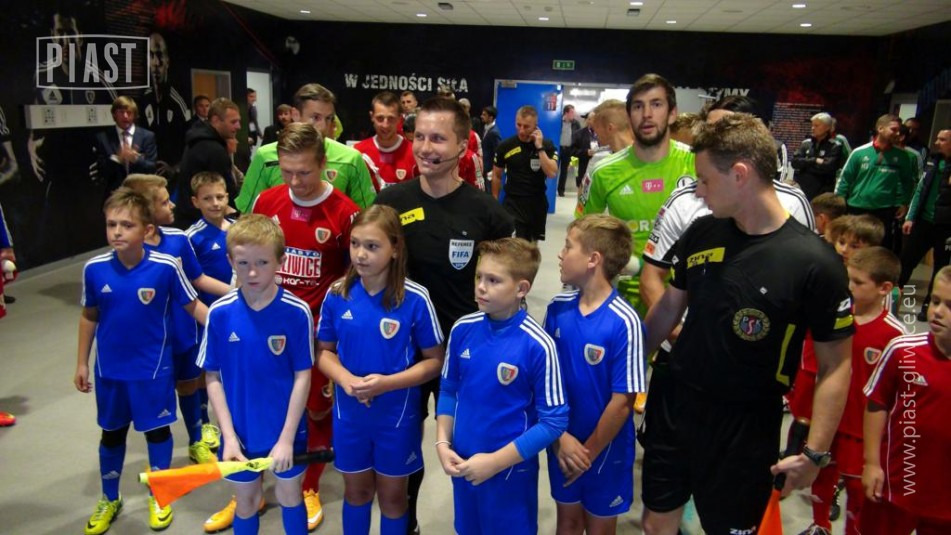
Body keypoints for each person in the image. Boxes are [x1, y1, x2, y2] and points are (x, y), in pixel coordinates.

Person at [640, 114, 853, 535]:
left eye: (705, 180)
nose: (698, 191)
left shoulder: (814, 262)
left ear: (740, 174)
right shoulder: (702, 232)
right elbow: (667, 310)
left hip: (745, 426)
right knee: (655, 524)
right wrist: (622, 373)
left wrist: (815, 452)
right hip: (676, 403)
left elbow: (836, 365)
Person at [203, 122, 361, 533]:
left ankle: (307, 486)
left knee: (314, 409)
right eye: (286, 171)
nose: (294, 181)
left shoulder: (344, 212)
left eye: (303, 172)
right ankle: (247, 491)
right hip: (255, 321)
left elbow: (352, 280)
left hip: (313, 333)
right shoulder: (266, 200)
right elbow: (245, 248)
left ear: (323, 165)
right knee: (248, 401)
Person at [375, 96, 514, 534]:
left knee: (471, 449)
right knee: (403, 450)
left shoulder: (488, 214)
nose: (425, 148)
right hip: (403, 353)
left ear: (462, 146)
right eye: (419, 137)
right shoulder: (391, 203)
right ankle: (406, 525)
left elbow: (509, 289)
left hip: (466, 355)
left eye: (438, 138)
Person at [75, 188, 207, 535]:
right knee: (111, 434)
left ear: (147, 229)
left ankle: (160, 495)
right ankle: (109, 498)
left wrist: (227, 329)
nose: (117, 232)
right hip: (110, 373)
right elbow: (89, 316)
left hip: (153, 371)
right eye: (111, 225)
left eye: (126, 225)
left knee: (157, 431)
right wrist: (82, 363)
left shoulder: (166, 267)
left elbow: (193, 306)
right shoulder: (94, 269)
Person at [316, 205, 444, 535]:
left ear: (395, 248)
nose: (361, 254)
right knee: (356, 493)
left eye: (372, 246)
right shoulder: (337, 294)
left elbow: (435, 361)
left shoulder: (416, 298)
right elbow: (324, 352)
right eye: (355, 243)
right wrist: (346, 380)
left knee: (393, 498)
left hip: (396, 416)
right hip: (349, 414)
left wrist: (386, 384)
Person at [436, 238, 568, 535]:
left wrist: (495, 462)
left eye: (493, 280)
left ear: (521, 288)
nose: (481, 287)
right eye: (478, 277)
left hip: (510, 473)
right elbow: (448, 390)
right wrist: (442, 443)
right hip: (464, 465)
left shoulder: (538, 345)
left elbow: (554, 421)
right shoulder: (462, 329)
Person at [198, 214, 313, 535]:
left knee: (290, 496)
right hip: (240, 434)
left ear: (280, 261)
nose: (251, 272)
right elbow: (212, 377)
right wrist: (228, 436)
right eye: (243, 263)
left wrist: (286, 438)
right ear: (229, 261)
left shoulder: (296, 312)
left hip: (286, 432)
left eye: (262, 262)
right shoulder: (219, 313)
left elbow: (303, 376)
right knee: (246, 503)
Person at [545, 214, 645, 534]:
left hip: (605, 450)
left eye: (568, 247)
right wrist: (560, 439)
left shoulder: (625, 321)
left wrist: (586, 454)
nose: (560, 254)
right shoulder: (557, 309)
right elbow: (544, 382)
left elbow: (623, 402)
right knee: (567, 523)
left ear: (593, 259)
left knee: (600, 529)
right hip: (562, 443)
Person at [122, 174, 231, 464]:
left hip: (184, 330)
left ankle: (196, 441)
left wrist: (238, 293)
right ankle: (159, 462)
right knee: (156, 398)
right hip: (150, 341)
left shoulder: (178, 239)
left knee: (189, 385)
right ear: (145, 210)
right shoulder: (128, 251)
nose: (172, 205)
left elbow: (198, 279)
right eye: (164, 202)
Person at [801, 247, 907, 535]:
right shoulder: (833, 318)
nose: (849, 287)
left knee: (859, 493)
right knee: (820, 478)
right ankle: (819, 526)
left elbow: (897, 394)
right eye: (848, 279)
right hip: (828, 421)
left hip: (862, 432)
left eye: (858, 282)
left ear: (884, 288)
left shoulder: (895, 336)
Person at [579, 74, 696, 317]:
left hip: (689, 296)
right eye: (638, 106)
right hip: (624, 301)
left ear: (672, 113)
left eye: (656, 104)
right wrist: (627, 264)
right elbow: (582, 233)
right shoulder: (603, 172)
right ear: (629, 116)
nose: (647, 114)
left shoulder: (697, 163)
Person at [860, 265, 951, 535]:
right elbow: (877, 403)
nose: (937, 311)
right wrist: (871, 463)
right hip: (895, 483)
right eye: (935, 301)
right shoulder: (904, 351)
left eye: (949, 305)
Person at [235, 83, 376, 212]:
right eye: (315, 117)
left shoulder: (351, 159)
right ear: (296, 115)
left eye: (329, 118)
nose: (323, 126)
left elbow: (366, 217)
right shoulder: (266, 156)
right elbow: (248, 214)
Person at [186, 172, 235, 449]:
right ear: (196, 202)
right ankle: (206, 423)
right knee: (207, 369)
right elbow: (195, 279)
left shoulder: (238, 229)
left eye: (219, 197)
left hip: (238, 311)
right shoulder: (192, 237)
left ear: (227, 197)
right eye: (207, 198)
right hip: (209, 314)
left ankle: (235, 418)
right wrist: (234, 291)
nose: (215, 203)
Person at [836, 114, 917, 252]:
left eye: (899, 130)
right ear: (880, 129)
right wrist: (839, 203)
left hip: (884, 210)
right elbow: (845, 179)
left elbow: (908, 182)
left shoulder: (902, 156)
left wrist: (904, 203)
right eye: (893, 129)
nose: (897, 134)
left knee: (877, 248)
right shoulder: (859, 152)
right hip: (856, 207)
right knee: (853, 243)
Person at [899, 129, 951, 320]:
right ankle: (894, 297)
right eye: (937, 138)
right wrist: (911, 217)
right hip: (923, 222)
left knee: (940, 267)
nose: (937, 142)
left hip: (945, 227)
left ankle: (930, 305)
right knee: (907, 261)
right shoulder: (933, 162)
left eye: (942, 139)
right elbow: (920, 190)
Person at [492, 105, 558, 241]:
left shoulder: (547, 145)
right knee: (515, 245)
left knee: (531, 247)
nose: (521, 130)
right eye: (518, 125)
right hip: (513, 203)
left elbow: (551, 173)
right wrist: (495, 201)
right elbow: (496, 175)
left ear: (536, 126)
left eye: (526, 126)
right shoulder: (505, 146)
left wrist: (539, 147)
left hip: (536, 203)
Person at [176, 98, 242, 227]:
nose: (238, 126)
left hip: (190, 218)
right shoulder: (213, 150)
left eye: (238, 121)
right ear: (216, 120)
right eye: (233, 122)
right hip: (204, 223)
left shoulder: (197, 141)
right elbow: (225, 190)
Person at [139, 32, 192, 172]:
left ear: (167, 60)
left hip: (173, 176)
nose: (156, 63)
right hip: (150, 175)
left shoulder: (179, 102)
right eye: (151, 56)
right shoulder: (144, 99)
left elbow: (191, 144)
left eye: (159, 55)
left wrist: (175, 168)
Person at [574, 100, 631, 220]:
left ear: (609, 128)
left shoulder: (651, 157)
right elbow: (583, 206)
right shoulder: (599, 160)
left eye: (596, 128)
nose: (595, 133)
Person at [355, 91, 419, 191]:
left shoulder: (415, 153)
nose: (385, 125)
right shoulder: (357, 152)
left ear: (399, 118)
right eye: (380, 118)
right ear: (372, 116)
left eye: (391, 118)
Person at [94, 97, 158, 193]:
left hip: (140, 193)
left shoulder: (147, 136)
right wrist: (118, 159)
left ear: (134, 115)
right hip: (114, 194)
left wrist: (136, 159)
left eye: (129, 112)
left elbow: (152, 168)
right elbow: (101, 172)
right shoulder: (103, 138)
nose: (125, 116)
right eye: (121, 112)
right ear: (114, 114)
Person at [791, 112, 846, 200]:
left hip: (822, 192)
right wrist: (814, 160)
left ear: (827, 127)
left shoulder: (835, 146)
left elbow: (828, 167)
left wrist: (805, 165)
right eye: (812, 125)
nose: (813, 128)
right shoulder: (806, 144)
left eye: (816, 125)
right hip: (802, 190)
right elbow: (795, 163)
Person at [557, 105, 582, 196]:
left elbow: (579, 138)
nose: (573, 114)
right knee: (554, 169)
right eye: (572, 112)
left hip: (569, 150)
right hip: (558, 149)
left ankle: (561, 190)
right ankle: (550, 189)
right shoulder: (558, 121)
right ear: (566, 113)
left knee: (564, 171)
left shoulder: (576, 124)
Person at [481, 106, 501, 187]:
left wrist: (493, 170)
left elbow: (498, 152)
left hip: (489, 170)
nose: (481, 116)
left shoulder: (494, 133)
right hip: (483, 167)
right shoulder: (485, 128)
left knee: (488, 191)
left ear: (491, 118)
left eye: (484, 115)